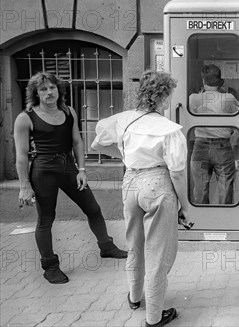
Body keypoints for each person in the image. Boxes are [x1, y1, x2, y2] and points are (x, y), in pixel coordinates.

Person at [91, 70, 189, 327]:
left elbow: (98, 144)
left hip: (131, 183)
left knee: (134, 243)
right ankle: (154, 317)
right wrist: (184, 207)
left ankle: (135, 297)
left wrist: (125, 155)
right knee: (157, 251)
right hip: (158, 184)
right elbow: (177, 174)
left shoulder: (123, 119)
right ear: (164, 97)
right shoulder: (169, 130)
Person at [13, 73, 127, 285]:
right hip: (43, 170)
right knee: (46, 219)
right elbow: (20, 155)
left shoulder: (69, 111)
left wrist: (82, 169)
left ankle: (107, 247)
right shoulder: (25, 117)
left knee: (93, 209)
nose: (49, 93)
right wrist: (24, 186)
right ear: (35, 93)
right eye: (43, 89)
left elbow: (77, 142)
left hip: (68, 167)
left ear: (59, 90)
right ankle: (50, 266)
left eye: (52, 88)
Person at [188, 64, 239, 205]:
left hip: (200, 146)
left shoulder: (193, 99)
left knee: (200, 187)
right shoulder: (228, 98)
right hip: (222, 146)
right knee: (226, 185)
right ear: (219, 81)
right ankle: (225, 219)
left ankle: (203, 220)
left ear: (203, 81)